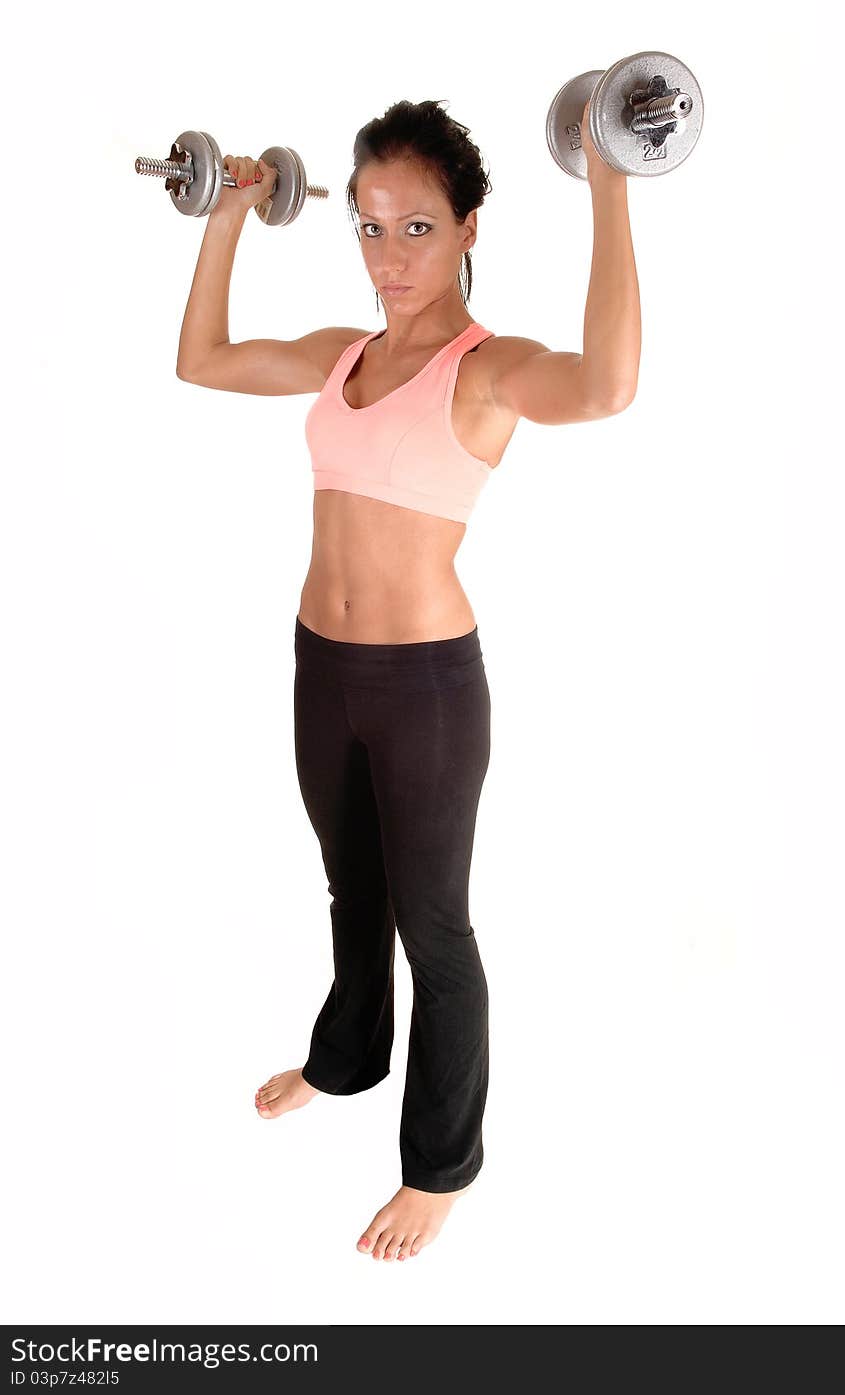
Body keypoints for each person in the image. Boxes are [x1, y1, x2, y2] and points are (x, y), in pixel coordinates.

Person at [175, 97, 640, 1263]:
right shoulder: (344, 355)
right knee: (350, 889)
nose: (390, 259)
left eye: (418, 230)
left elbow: (610, 386)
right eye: (371, 230)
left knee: (433, 926)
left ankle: (441, 1164)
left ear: (470, 227)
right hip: (320, 666)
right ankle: (346, 1059)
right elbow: (201, 361)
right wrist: (229, 210)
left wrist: (612, 184)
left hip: (425, 687)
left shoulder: (491, 371)